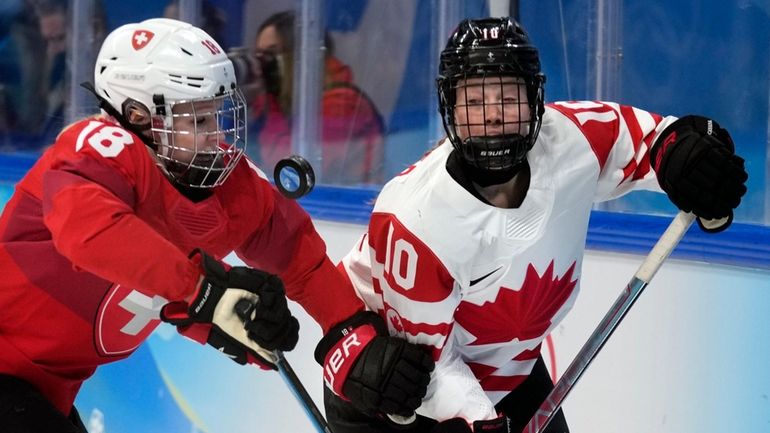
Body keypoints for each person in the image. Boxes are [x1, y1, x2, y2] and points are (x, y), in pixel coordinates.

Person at [0, 18, 433, 433]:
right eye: (197, 119)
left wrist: (348, 332)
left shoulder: (223, 180)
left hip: (42, 393)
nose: (215, 135)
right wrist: (207, 292)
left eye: (216, 115)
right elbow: (91, 233)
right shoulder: (93, 150)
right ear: (136, 116)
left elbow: (297, 255)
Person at [318, 17, 748, 433]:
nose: (492, 117)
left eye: (508, 99)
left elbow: (652, 140)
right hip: (397, 402)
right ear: (450, 108)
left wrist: (686, 156)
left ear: (535, 101)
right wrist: (481, 423)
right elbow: (427, 367)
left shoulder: (571, 139)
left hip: (510, 372)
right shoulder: (415, 222)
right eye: (474, 102)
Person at [250, 10, 385, 185]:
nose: (262, 67)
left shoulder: (342, 103)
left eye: (271, 55)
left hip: (345, 205)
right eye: (258, 57)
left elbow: (288, 169)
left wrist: (271, 104)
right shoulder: (286, 102)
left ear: (299, 56)